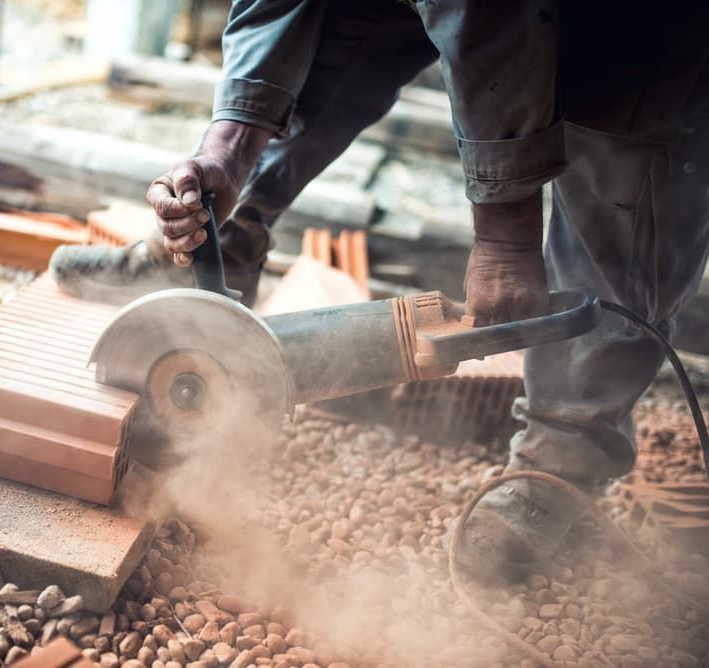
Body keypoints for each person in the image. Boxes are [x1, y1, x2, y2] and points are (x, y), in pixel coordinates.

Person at [52, 1, 709, 581]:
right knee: (337, 19)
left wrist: (507, 230)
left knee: (625, 172)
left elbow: (489, 12)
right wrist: (230, 142)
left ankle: (562, 455)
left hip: (640, 24)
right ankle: (214, 250)